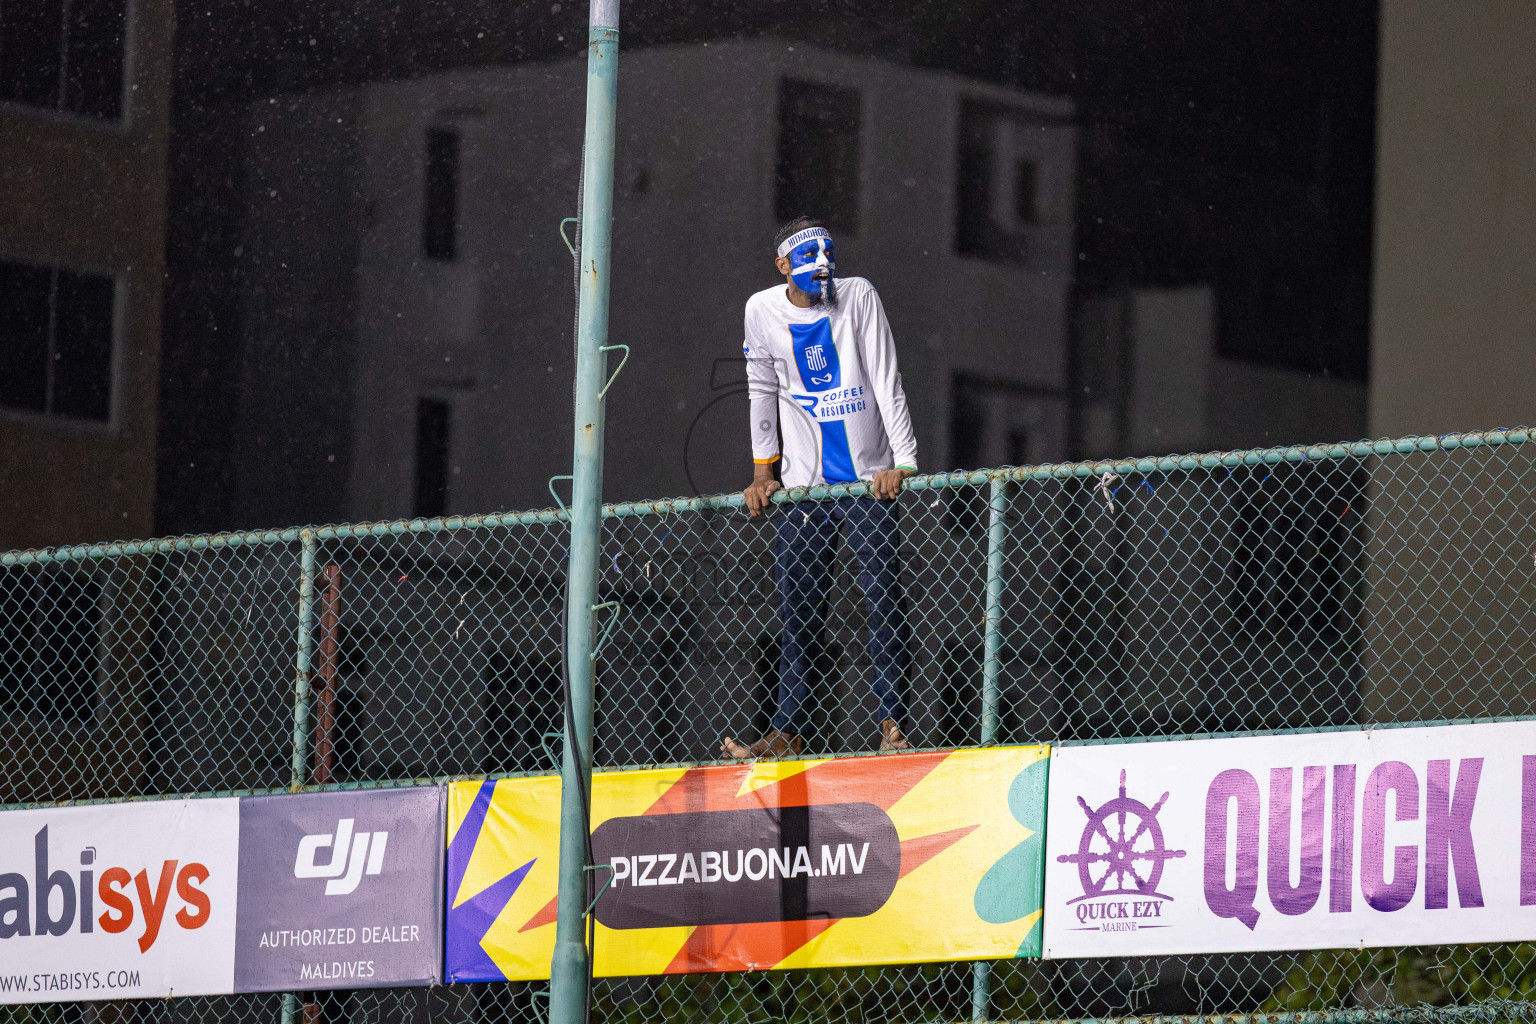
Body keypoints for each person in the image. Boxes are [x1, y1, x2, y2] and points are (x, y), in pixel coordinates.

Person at [720, 217, 919, 759]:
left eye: (829, 252)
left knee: (883, 601)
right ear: (783, 264)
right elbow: (760, 389)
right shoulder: (761, 310)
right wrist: (765, 470)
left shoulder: (857, 296)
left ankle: (893, 728)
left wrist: (901, 461)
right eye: (809, 255)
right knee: (798, 610)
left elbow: (886, 376)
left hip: (865, 481)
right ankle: (788, 730)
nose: (823, 264)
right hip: (805, 488)